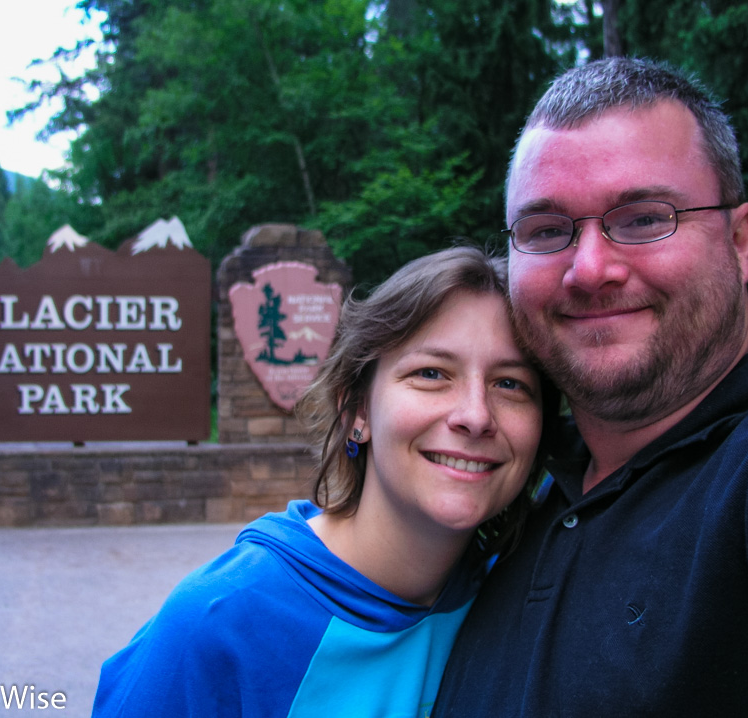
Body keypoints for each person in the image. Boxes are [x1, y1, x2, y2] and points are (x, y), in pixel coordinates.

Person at [433, 58, 748, 717]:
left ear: (740, 242)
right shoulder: (501, 484)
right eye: (545, 231)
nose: (589, 269)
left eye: (645, 218)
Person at [92, 245, 555, 717]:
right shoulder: (218, 623)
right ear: (356, 410)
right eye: (431, 373)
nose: (475, 416)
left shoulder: (528, 599)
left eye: (510, 384)